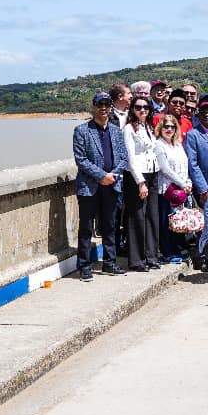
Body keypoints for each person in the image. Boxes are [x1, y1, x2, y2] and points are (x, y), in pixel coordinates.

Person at [73, 93, 129, 281]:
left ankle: (109, 263)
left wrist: (111, 176)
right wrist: (101, 176)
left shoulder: (116, 131)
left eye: (107, 104)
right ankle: (84, 266)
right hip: (90, 186)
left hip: (112, 185)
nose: (103, 108)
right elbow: (81, 160)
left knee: (110, 226)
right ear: (93, 106)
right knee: (86, 227)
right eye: (100, 104)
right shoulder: (82, 130)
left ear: (111, 107)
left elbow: (123, 158)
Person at [122, 95, 160, 271]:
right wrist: (140, 182)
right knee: (137, 217)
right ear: (132, 109)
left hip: (153, 173)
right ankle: (137, 260)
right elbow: (130, 158)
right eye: (138, 107)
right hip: (138, 176)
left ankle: (151, 256)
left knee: (152, 216)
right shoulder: (129, 129)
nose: (142, 110)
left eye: (146, 107)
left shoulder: (149, 127)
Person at [153, 112, 192, 264]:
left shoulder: (178, 144)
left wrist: (188, 183)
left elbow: (185, 166)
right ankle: (167, 252)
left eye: (172, 126)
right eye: (166, 126)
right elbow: (165, 169)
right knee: (166, 223)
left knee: (177, 223)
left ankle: (176, 249)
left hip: (182, 190)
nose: (169, 129)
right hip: (167, 190)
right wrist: (183, 184)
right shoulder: (158, 144)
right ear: (160, 128)